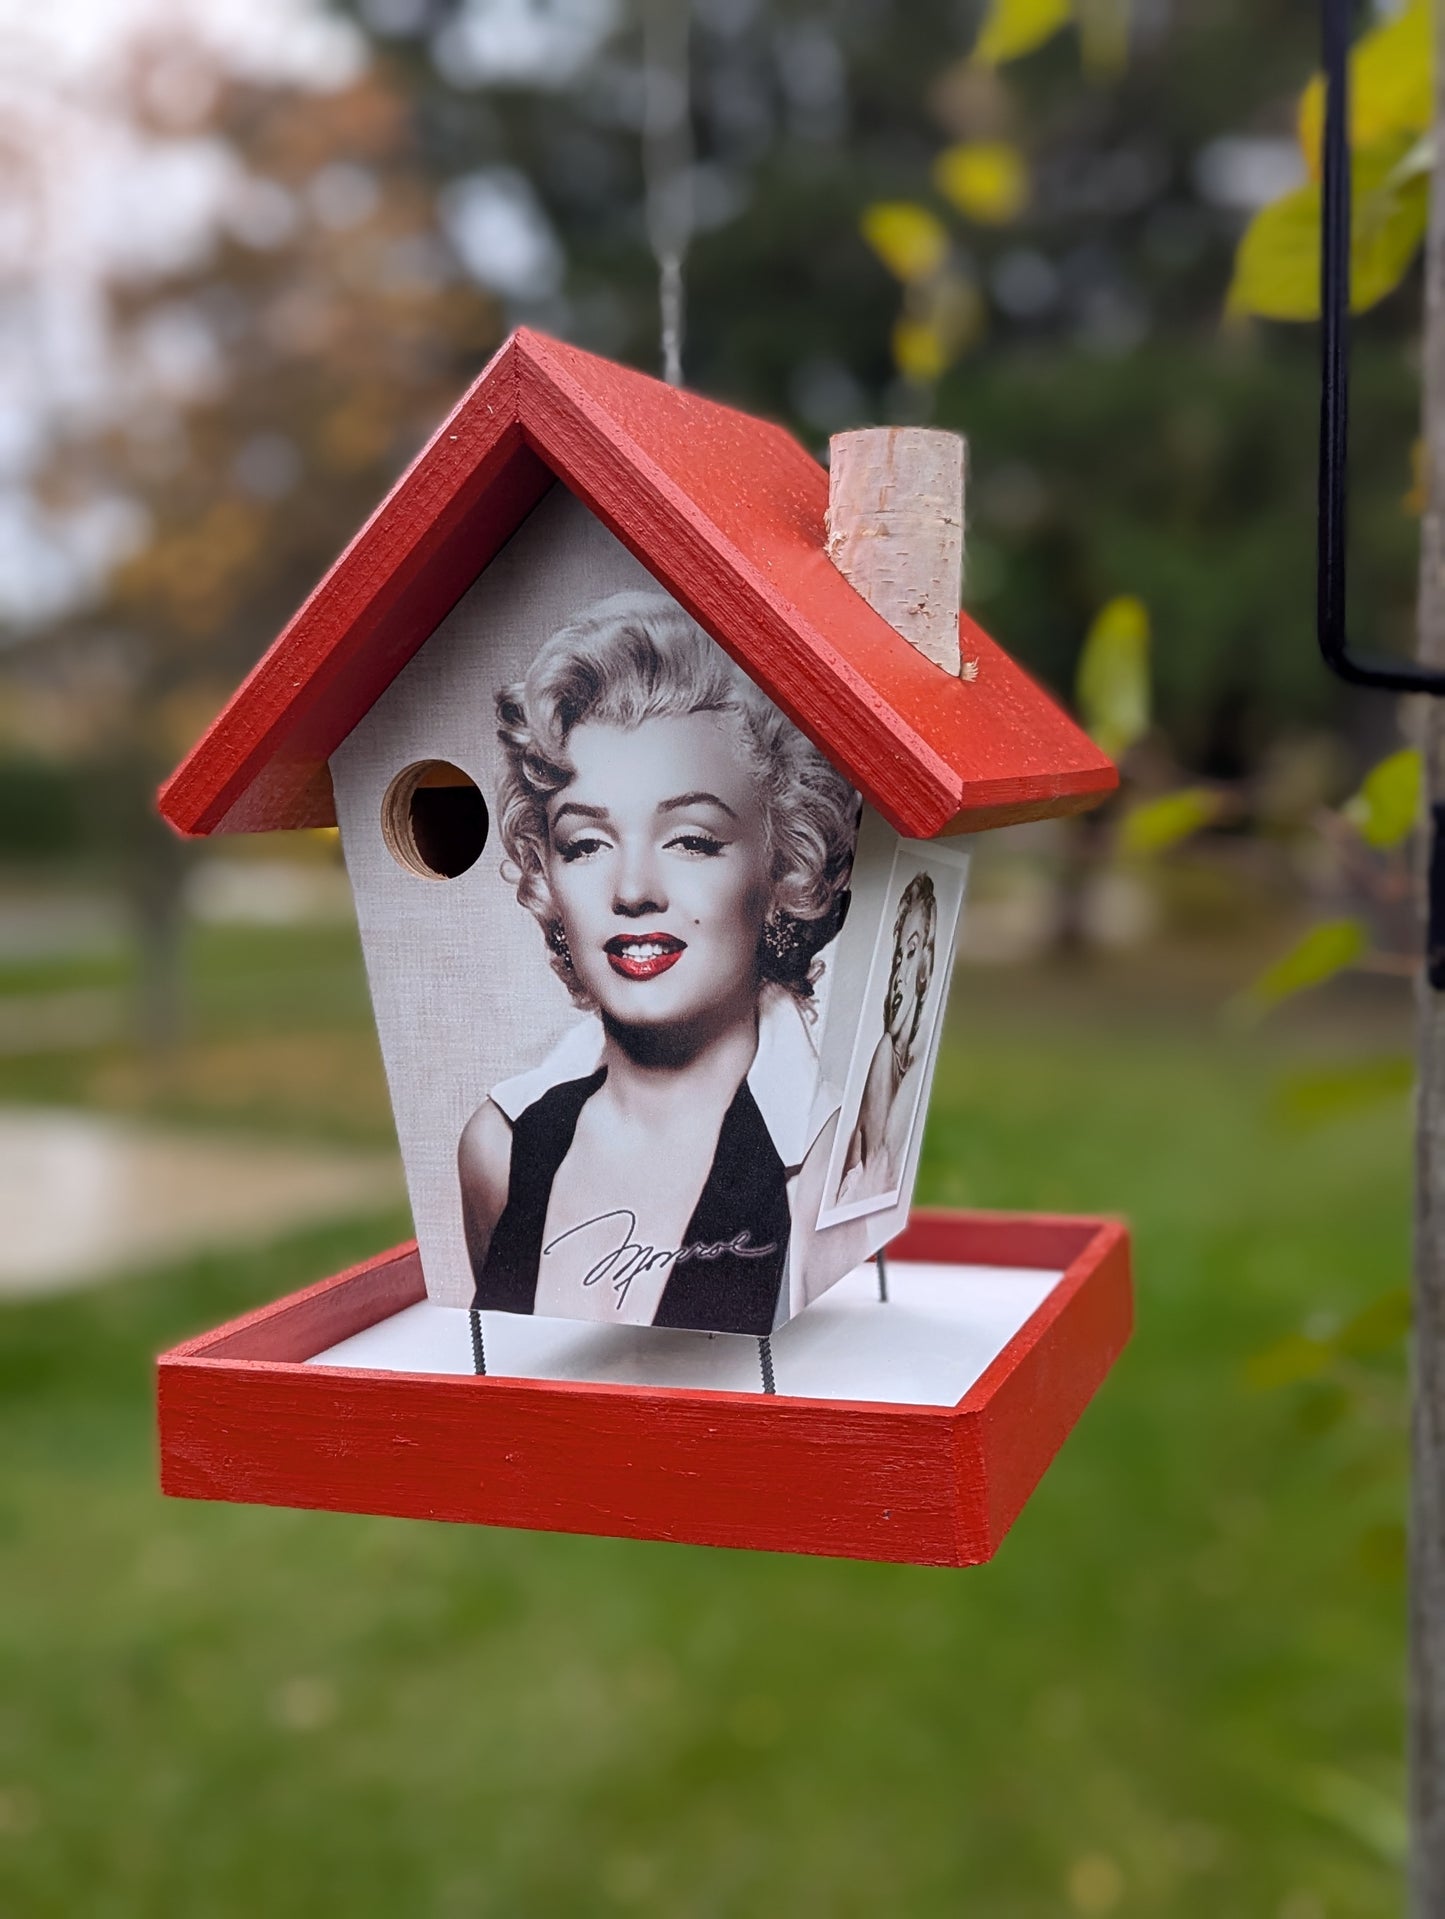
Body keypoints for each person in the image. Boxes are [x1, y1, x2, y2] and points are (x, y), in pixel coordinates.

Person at [458, 590, 857, 1336]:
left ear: (783, 864)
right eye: (586, 843)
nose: (634, 890)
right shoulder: (500, 1147)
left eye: (691, 840)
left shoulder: (828, 1165)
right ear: (546, 875)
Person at [834, 872, 938, 1210]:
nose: (898, 978)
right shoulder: (885, 1056)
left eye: (910, 954)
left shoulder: (917, 1062)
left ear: (926, 965)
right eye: (896, 959)